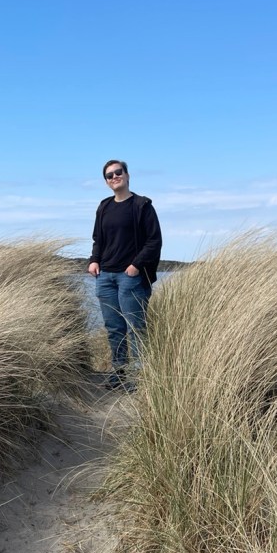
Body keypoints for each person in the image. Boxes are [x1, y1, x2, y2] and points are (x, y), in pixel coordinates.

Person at [87, 159, 162, 388]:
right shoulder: (104, 207)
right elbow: (98, 239)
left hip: (130, 277)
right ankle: (118, 375)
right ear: (106, 182)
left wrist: (135, 266)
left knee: (135, 328)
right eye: (109, 175)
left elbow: (154, 241)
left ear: (127, 175)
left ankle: (138, 378)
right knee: (114, 329)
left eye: (118, 172)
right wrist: (94, 260)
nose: (114, 177)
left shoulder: (142, 205)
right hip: (105, 277)